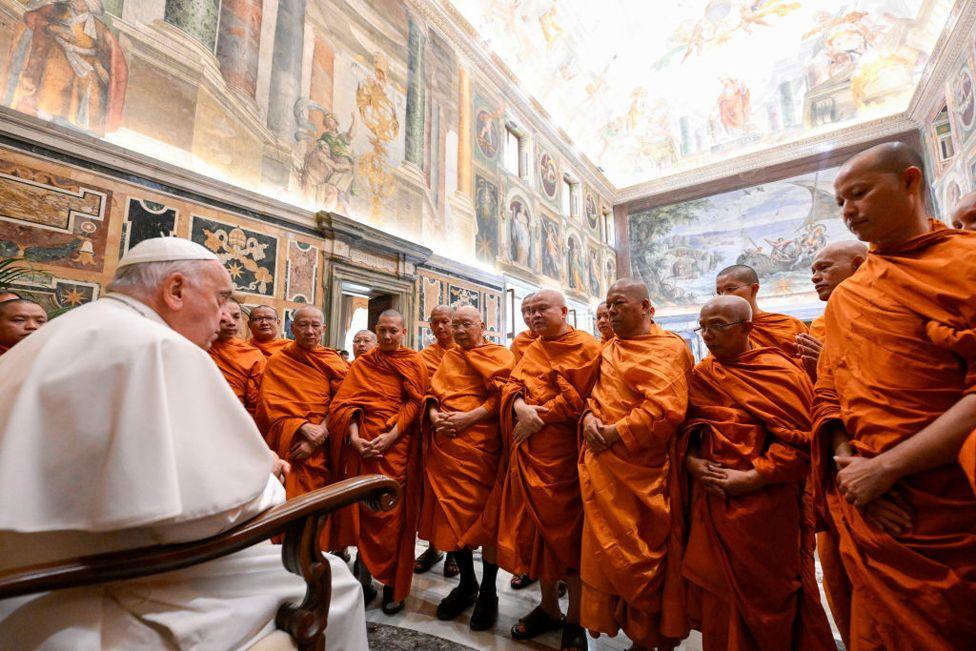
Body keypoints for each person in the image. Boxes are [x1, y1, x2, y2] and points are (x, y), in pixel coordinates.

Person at [0, 237, 367, 650]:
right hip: (118, 582)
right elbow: (211, 514)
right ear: (175, 290)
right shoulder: (161, 346)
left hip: (25, 582)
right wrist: (267, 476)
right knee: (336, 582)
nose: (223, 318)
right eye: (220, 299)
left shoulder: (58, 333)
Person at [813, 142, 976, 648]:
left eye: (859, 194)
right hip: (874, 509)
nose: (848, 213)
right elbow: (829, 398)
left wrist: (888, 469)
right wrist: (853, 474)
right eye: (840, 203)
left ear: (910, 182)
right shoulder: (850, 296)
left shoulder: (965, 264)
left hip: (952, 504)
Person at [679, 295, 833, 650]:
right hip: (714, 501)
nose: (707, 335)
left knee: (771, 596)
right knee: (720, 596)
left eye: (717, 326)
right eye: (702, 327)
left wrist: (752, 477)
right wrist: (689, 461)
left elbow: (806, 441)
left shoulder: (781, 372)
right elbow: (681, 431)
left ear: (747, 327)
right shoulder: (703, 374)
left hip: (767, 508)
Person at [579, 280, 692, 649]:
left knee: (645, 552)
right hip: (605, 465)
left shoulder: (669, 348)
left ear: (646, 307)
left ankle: (648, 638)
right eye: (608, 305)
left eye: (619, 304)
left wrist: (615, 433)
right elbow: (592, 397)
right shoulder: (608, 349)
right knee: (607, 552)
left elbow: (666, 408)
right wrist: (589, 421)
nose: (610, 311)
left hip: (645, 470)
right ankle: (626, 627)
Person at [496, 289, 602, 649]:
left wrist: (538, 418)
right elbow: (512, 385)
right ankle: (547, 607)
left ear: (564, 311)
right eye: (528, 311)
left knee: (568, 538)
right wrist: (521, 408)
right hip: (528, 456)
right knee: (536, 536)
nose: (533, 316)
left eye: (541, 309)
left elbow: (589, 398)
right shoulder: (533, 348)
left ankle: (575, 617)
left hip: (565, 461)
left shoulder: (587, 347)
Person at [419, 305, 514, 630]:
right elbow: (432, 394)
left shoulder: (499, 355)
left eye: (465, 324)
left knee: (487, 521)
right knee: (452, 519)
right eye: (455, 325)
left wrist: (467, 419)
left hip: (482, 449)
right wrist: (434, 417)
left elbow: (504, 396)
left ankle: (488, 592)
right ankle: (467, 584)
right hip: (447, 449)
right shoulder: (450, 358)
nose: (459, 330)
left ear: (483, 325)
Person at [327, 310, 427, 615]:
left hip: (395, 449)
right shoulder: (363, 364)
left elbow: (416, 402)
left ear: (404, 332)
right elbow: (344, 404)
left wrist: (392, 436)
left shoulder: (413, 362)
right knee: (363, 512)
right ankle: (365, 579)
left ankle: (393, 587)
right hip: (363, 448)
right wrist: (355, 439)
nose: (386, 337)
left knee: (393, 516)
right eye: (381, 330)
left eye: (392, 331)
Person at [792, 240, 867, 646]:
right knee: (838, 570)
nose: (814, 276)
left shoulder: (888, 309)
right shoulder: (822, 325)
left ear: (858, 264)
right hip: (834, 466)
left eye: (824, 267)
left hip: (888, 460)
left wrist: (828, 361)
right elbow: (816, 397)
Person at [255, 306, 349, 551]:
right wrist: (303, 427)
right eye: (303, 325)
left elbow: (344, 402)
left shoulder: (332, 360)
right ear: (292, 328)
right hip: (290, 446)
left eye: (315, 325)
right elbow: (269, 406)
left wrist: (321, 433)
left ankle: (317, 558)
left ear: (324, 329)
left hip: (322, 448)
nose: (309, 331)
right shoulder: (279, 361)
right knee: (288, 507)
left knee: (319, 507)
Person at [415, 305, 460, 578]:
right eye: (436, 323)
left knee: (456, 495)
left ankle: (455, 551)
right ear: (429, 326)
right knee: (431, 493)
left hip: (463, 431)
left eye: (447, 322)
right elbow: (420, 393)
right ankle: (434, 547)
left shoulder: (469, 353)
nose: (441, 327)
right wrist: (432, 415)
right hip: (433, 431)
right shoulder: (424, 357)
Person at [715, 264, 807, 360]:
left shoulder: (789, 325)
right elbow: (715, 368)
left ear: (754, 289)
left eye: (730, 289)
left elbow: (810, 364)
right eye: (719, 292)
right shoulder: (721, 331)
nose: (723, 297)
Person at [208, 297, 266, 417]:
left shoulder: (252, 355)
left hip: (236, 418)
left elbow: (257, 401)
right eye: (223, 316)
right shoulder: (197, 345)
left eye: (236, 316)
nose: (231, 322)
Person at [509, 293, 537, 363]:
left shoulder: (562, 338)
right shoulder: (520, 340)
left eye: (530, 310)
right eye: (523, 312)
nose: (526, 316)